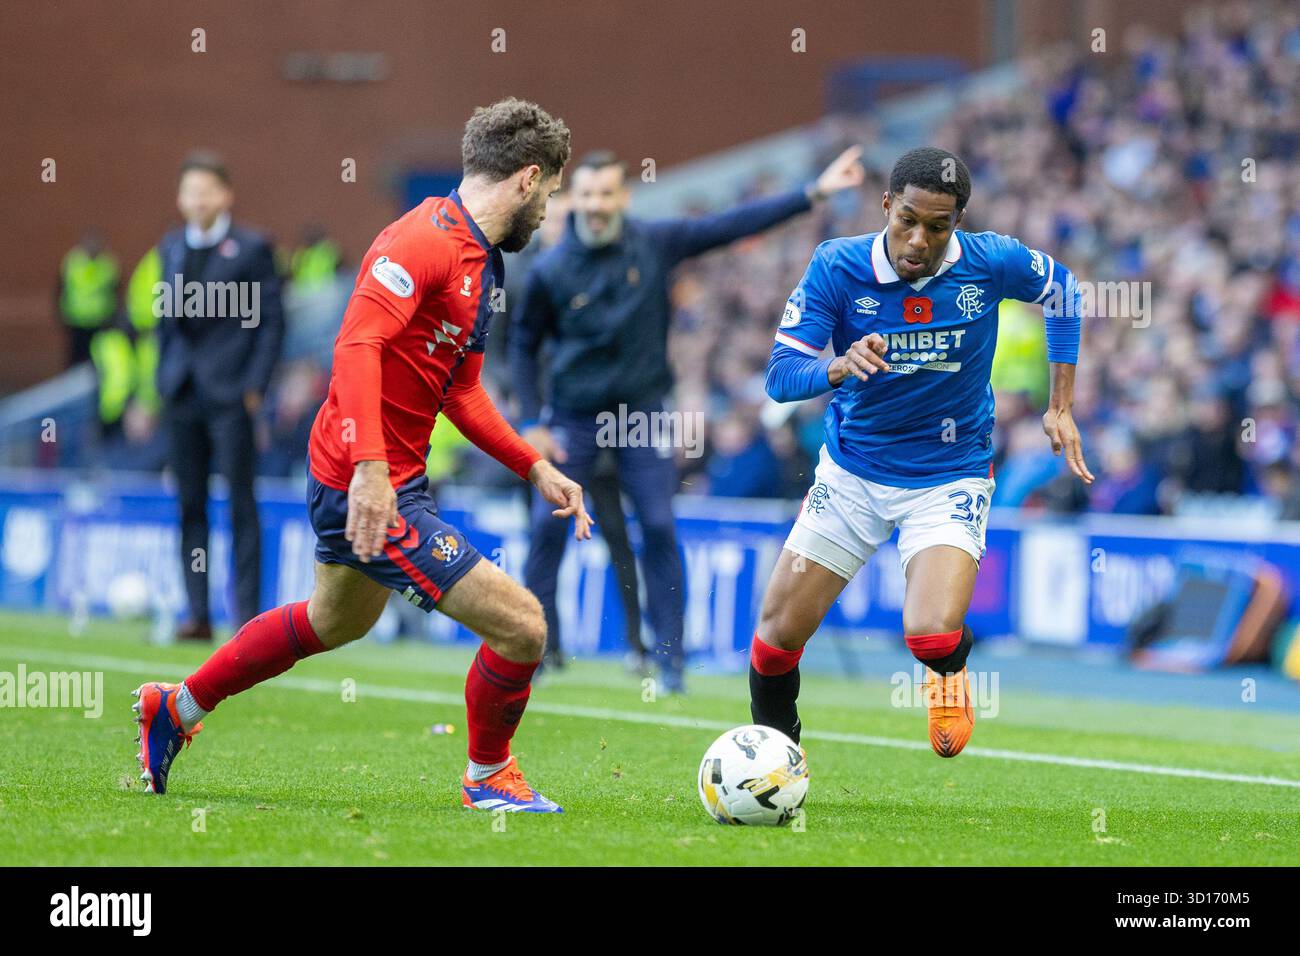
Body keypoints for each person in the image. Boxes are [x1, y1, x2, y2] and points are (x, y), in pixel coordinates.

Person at [132, 98, 590, 814]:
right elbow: (355, 347)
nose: (550, 210)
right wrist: (374, 473)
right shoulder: (423, 241)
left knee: (334, 621)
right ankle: (488, 778)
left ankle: (178, 707)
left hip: (376, 475)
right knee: (524, 625)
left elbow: (460, 392)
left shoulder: (481, 264)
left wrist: (531, 465)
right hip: (365, 478)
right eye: (554, 193)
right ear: (529, 179)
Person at [753, 146, 1092, 758]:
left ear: (956, 223)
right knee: (776, 640)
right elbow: (779, 376)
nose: (919, 240)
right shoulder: (837, 265)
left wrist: (1060, 403)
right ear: (886, 205)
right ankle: (777, 760)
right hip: (853, 472)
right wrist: (835, 367)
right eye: (907, 219)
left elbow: (1064, 289)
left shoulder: (990, 263)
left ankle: (949, 675)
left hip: (949, 473)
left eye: (938, 227)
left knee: (931, 635)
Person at [510, 146, 866, 692]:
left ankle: (671, 659)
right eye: (586, 195)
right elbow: (523, 345)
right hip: (574, 417)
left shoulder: (654, 243)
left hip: (643, 413)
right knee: (544, 527)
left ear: (623, 196)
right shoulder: (551, 269)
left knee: (656, 524)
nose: (597, 205)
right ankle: (535, 651)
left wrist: (811, 194)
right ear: (574, 199)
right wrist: (533, 419)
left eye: (606, 193)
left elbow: (728, 226)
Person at [153, 152, 285, 639]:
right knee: (190, 504)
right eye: (189, 192)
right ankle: (196, 613)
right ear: (180, 198)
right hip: (182, 394)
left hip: (233, 395)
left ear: (225, 195)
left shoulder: (252, 248)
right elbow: (165, 322)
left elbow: (271, 322)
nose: (197, 200)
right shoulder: (169, 246)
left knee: (240, 503)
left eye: (206, 190)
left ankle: (246, 617)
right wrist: (162, 378)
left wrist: (255, 386)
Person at [57, 229, 119, 367]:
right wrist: (61, 315)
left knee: (98, 358)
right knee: (75, 357)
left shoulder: (107, 264)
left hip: (100, 321)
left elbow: (115, 291)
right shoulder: (73, 262)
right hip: (77, 321)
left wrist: (112, 316)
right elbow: (61, 289)